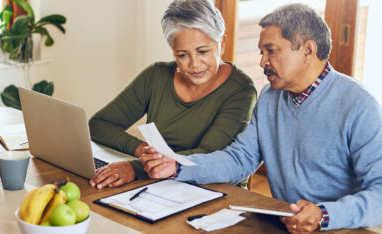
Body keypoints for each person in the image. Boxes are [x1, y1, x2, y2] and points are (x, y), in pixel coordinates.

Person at [141, 3, 382, 233]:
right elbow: (240, 158)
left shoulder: (359, 105)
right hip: (285, 224)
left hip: (343, 228)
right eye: (261, 52)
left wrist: (324, 214)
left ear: (308, 50)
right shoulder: (270, 97)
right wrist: (178, 166)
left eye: (271, 51)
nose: (262, 62)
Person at [89, 0, 257, 190]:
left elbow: (209, 155)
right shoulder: (156, 76)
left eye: (203, 51)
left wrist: (136, 168)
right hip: (159, 185)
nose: (194, 64)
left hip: (215, 191)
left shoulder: (241, 90)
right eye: (182, 55)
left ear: (222, 43)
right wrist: (143, 151)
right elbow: (98, 125)